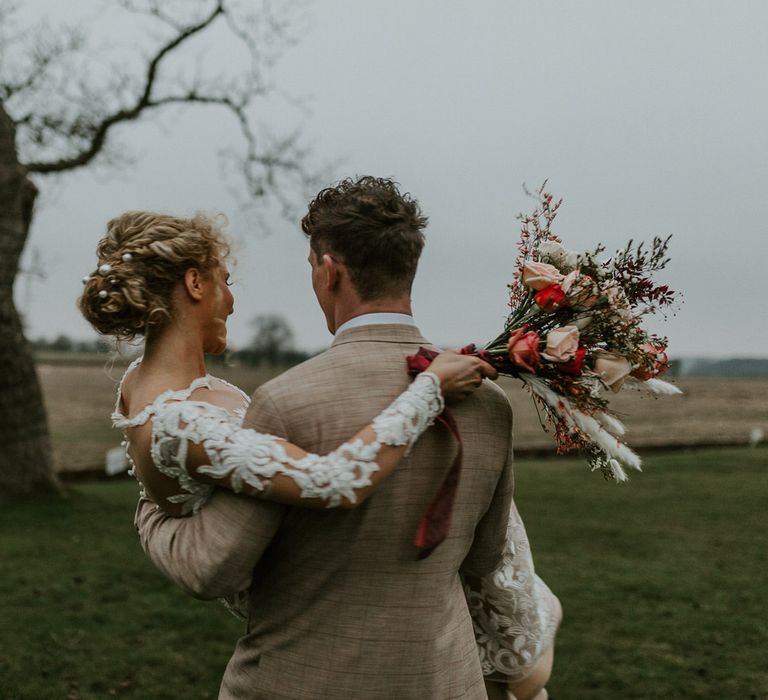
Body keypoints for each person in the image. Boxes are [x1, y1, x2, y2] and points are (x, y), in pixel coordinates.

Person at [133, 177, 561, 700]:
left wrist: (152, 508)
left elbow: (218, 568)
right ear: (408, 267)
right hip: (443, 682)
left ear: (328, 271)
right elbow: (485, 556)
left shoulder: (285, 401)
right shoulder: (488, 401)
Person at [79, 211, 494, 518]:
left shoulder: (137, 384)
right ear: (194, 283)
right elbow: (332, 482)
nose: (232, 300)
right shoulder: (180, 422)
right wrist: (429, 390)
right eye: (225, 281)